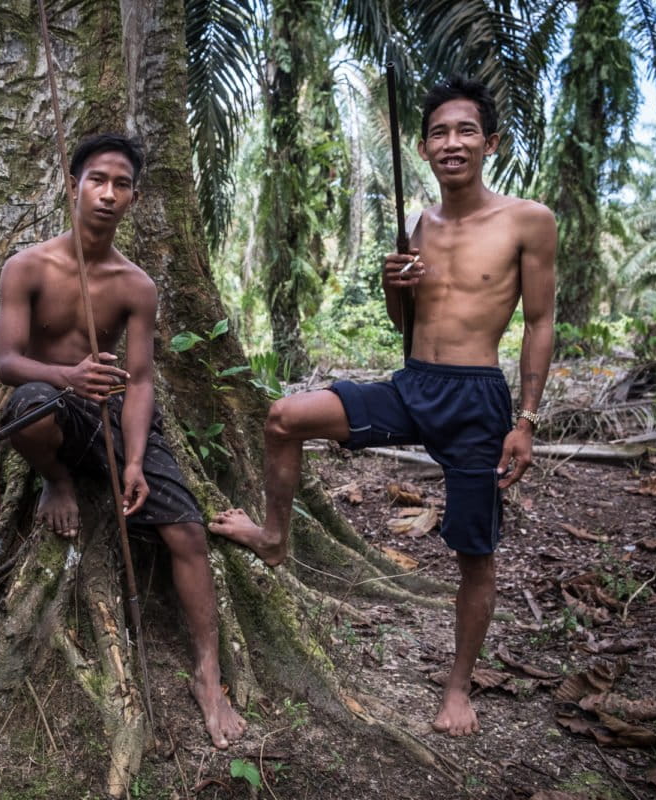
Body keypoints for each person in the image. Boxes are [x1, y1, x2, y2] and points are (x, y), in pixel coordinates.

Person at [210, 75, 557, 737]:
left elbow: (540, 322)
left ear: (490, 142)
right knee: (284, 417)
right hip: (412, 384)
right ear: (422, 149)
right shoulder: (417, 223)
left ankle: (458, 688)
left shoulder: (527, 220)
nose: (451, 143)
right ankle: (274, 537)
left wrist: (527, 421)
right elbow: (405, 321)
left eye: (465, 131)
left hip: (477, 399)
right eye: (438, 133)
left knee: (474, 552)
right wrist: (391, 281)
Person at [0, 133, 247, 749]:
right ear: (73, 185)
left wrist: (134, 460)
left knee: (187, 531)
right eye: (98, 180)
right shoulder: (28, 267)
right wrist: (68, 376)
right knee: (27, 406)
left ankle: (208, 674)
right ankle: (58, 481)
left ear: (134, 196)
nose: (108, 194)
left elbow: (140, 381)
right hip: (51, 402)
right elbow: (6, 363)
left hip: (111, 417)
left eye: (122, 184)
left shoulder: (136, 286)